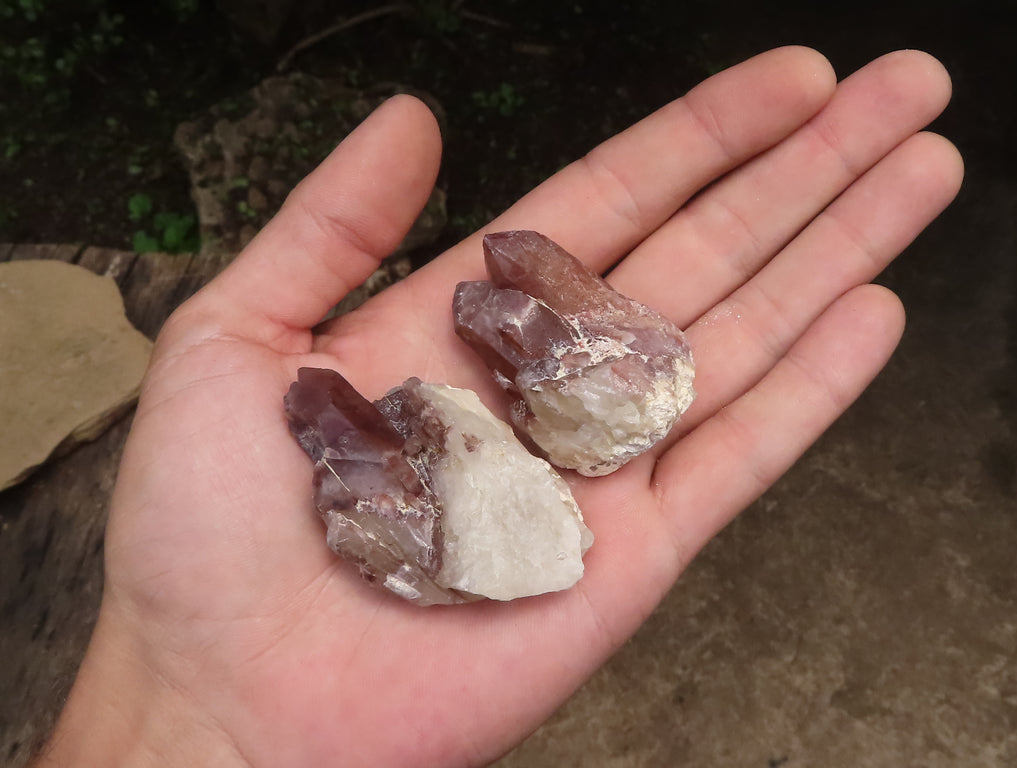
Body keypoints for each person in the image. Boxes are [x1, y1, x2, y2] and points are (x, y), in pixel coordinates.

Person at [32, 46, 961, 767]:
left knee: (500, 305)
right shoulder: (424, 449)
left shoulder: (520, 391)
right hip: (491, 494)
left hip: (538, 456)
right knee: (483, 317)